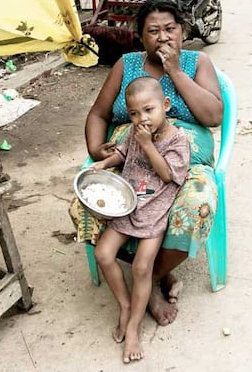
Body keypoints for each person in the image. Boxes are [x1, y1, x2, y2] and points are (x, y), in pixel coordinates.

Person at [70, 0, 223, 327]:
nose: (163, 37)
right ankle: (151, 276)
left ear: (183, 31)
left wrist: (176, 72)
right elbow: (98, 113)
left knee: (197, 205)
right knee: (85, 204)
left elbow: (213, 116)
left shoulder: (198, 63)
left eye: (170, 29)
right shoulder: (128, 65)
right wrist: (98, 152)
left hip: (184, 166)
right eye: (153, 31)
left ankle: (150, 278)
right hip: (132, 163)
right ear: (141, 35)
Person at [91, 77, 191, 364]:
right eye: (134, 113)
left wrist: (147, 145)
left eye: (148, 110)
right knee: (103, 254)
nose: (141, 119)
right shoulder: (134, 134)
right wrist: (104, 162)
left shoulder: (178, 140)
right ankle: (124, 306)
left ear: (165, 106)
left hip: (153, 211)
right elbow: (122, 152)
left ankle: (134, 326)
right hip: (128, 205)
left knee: (142, 266)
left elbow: (166, 174)